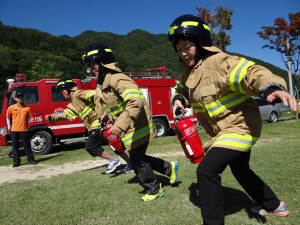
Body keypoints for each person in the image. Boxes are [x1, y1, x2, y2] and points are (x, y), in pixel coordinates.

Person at [168, 14, 296, 224]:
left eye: (187, 46)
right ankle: (274, 205)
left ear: (200, 42)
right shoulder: (188, 74)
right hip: (223, 132)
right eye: (179, 49)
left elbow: (251, 73)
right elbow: (181, 89)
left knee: (207, 171)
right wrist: (179, 99)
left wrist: (270, 87)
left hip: (241, 127)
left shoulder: (219, 62)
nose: (183, 53)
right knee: (241, 170)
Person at [82, 43, 179, 201]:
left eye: (93, 64)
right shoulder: (103, 83)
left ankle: (154, 189)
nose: (91, 69)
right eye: (90, 65)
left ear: (103, 62)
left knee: (136, 161)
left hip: (137, 126)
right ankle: (168, 168)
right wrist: (106, 116)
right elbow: (114, 106)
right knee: (138, 158)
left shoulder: (118, 79)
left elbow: (135, 102)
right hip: (130, 128)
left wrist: (120, 124)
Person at [45, 78, 132, 174]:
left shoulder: (78, 94)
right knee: (114, 146)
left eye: (62, 90)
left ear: (68, 88)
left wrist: (101, 115)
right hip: (95, 126)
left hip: (97, 124)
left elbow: (96, 96)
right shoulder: (73, 103)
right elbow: (68, 115)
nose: (62, 93)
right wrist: (52, 117)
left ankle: (113, 161)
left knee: (90, 146)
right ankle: (131, 163)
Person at [6, 92, 37, 167]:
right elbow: (8, 117)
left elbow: (29, 118)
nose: (20, 99)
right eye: (18, 97)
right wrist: (9, 127)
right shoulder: (11, 107)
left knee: (27, 145)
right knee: (15, 146)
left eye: (21, 97)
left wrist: (25, 125)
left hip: (24, 129)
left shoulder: (27, 108)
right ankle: (17, 162)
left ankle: (31, 159)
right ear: (16, 99)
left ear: (23, 98)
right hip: (14, 130)